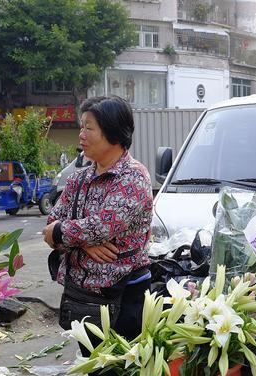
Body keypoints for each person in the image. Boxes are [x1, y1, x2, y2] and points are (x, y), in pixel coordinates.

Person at [42, 96, 153, 356]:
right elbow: (49, 224)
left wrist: (63, 233)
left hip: (125, 296)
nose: (81, 135)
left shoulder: (133, 177)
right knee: (94, 364)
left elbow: (103, 226)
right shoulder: (79, 178)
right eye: (81, 127)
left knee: (124, 365)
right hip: (83, 298)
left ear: (113, 131)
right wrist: (83, 241)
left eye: (88, 128)